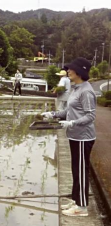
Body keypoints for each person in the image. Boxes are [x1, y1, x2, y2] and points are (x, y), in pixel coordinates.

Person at [41, 58, 96, 217]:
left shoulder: (86, 91)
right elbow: (69, 111)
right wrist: (53, 114)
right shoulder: (76, 88)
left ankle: (82, 207)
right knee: (75, 169)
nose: (68, 71)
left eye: (71, 69)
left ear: (80, 72)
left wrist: (71, 123)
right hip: (75, 135)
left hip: (83, 138)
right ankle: (77, 200)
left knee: (81, 171)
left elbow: (90, 116)